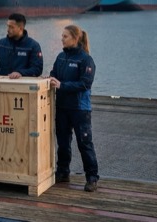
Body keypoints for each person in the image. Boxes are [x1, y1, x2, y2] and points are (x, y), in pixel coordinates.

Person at [48, 24, 99, 192]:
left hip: (79, 109)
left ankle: (91, 177)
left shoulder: (86, 59)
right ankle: (63, 172)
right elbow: (53, 73)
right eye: (62, 36)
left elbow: (85, 83)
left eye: (65, 36)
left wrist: (62, 85)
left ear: (75, 39)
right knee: (62, 142)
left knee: (84, 143)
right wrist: (49, 80)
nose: (61, 39)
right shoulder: (61, 57)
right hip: (62, 106)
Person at [0, 13, 43, 79]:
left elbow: (37, 69)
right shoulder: (1, 44)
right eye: (8, 26)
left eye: (11, 27)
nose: (8, 30)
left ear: (20, 28)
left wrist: (20, 73)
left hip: (23, 86)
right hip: (3, 85)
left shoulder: (33, 46)